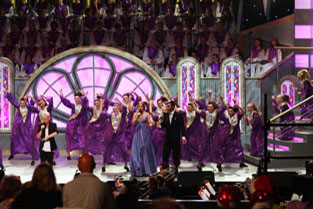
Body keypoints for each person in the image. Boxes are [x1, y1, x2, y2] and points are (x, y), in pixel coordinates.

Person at [215, 96, 247, 172]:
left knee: (239, 148)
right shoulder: (225, 118)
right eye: (229, 111)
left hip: (235, 136)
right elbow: (219, 113)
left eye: (231, 111)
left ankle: (241, 162)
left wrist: (237, 105)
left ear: (233, 112)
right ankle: (219, 163)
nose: (230, 112)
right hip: (225, 136)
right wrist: (222, 101)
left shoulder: (237, 117)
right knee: (223, 149)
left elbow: (242, 112)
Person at [6, 93, 38, 165]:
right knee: (14, 139)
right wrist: (8, 94)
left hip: (27, 128)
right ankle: (12, 153)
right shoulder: (18, 106)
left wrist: (30, 96)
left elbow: (33, 103)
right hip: (18, 127)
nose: (22, 104)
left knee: (30, 141)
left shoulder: (29, 107)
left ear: (26, 103)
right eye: (21, 103)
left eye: (23, 103)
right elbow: (13, 101)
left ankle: (33, 157)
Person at [60, 89, 89, 159]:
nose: (76, 100)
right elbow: (66, 103)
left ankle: (82, 154)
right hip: (72, 125)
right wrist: (61, 95)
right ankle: (68, 154)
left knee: (82, 140)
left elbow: (86, 102)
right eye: (75, 98)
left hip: (81, 125)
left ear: (80, 99)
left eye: (77, 98)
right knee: (69, 138)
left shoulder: (84, 106)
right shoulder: (73, 106)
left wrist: (84, 95)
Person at [130, 101, 157, 176]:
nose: (140, 107)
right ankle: (136, 170)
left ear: (144, 107)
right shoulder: (135, 114)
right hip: (137, 134)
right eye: (138, 106)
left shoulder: (147, 114)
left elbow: (150, 123)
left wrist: (149, 123)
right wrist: (137, 117)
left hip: (145, 133)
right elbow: (133, 124)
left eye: (141, 106)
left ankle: (147, 171)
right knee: (135, 151)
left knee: (145, 151)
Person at [161, 100, 187, 173]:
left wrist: (183, 136)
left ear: (173, 106)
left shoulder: (178, 115)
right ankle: (165, 169)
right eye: (166, 106)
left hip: (175, 138)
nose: (167, 108)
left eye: (169, 106)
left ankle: (176, 169)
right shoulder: (166, 115)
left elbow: (182, 126)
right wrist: (161, 118)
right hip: (167, 138)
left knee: (175, 154)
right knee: (165, 153)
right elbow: (163, 126)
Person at [196, 91, 219, 171]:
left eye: (211, 107)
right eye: (208, 107)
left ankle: (218, 163)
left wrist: (218, 100)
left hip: (214, 133)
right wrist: (192, 102)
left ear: (214, 108)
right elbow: (197, 110)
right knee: (203, 147)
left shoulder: (217, 113)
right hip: (205, 133)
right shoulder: (205, 113)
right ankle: (199, 163)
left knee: (216, 148)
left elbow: (222, 107)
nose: (209, 108)